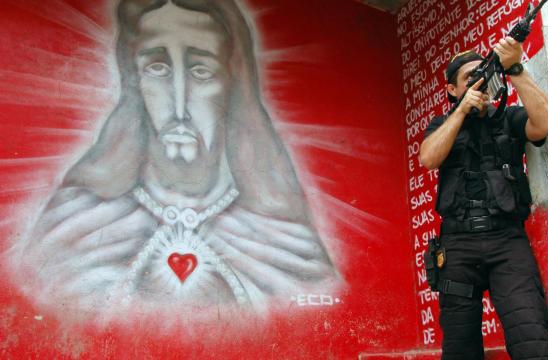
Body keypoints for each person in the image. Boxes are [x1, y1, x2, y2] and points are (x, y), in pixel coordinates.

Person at [9, 0, 339, 320]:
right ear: (134, 83)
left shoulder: (278, 238)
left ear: (234, 85)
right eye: (157, 68)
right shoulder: (77, 223)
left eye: (202, 71)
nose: (179, 105)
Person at [420, 38, 548, 360]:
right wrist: (461, 111)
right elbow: (428, 158)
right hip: (458, 244)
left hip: (507, 241)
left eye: (482, 73)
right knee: (460, 346)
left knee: (531, 339)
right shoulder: (443, 125)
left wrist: (515, 69)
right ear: (453, 90)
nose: (478, 80)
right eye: (469, 77)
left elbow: (545, 124)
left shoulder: (507, 118)